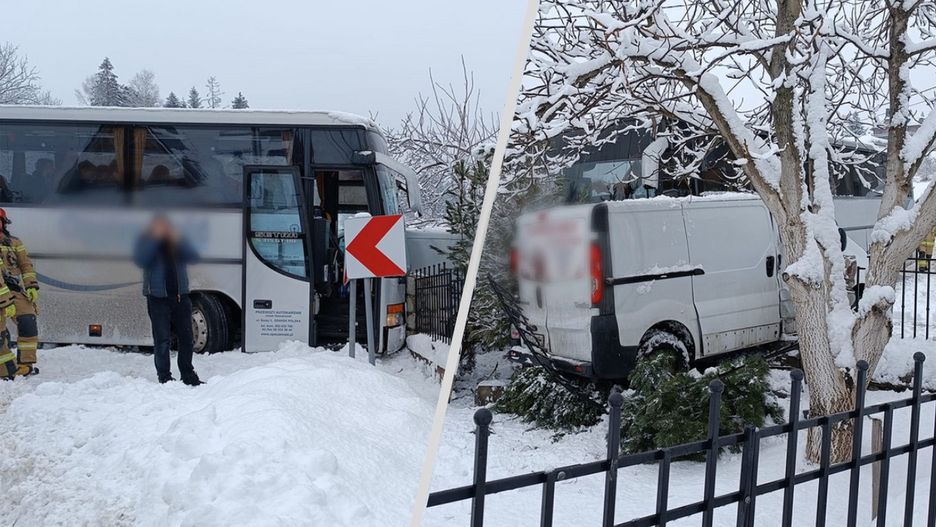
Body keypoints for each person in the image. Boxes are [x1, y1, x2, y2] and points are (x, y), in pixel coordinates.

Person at [133, 215, 203, 385]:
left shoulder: (176, 240)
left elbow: (193, 257)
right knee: (162, 339)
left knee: (186, 337)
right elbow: (141, 260)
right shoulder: (146, 240)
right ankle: (164, 377)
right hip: (158, 297)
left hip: (180, 295)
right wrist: (155, 240)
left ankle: (188, 374)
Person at [0, 208, 40, 376]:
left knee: (28, 321)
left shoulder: (15, 243)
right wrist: (5, 301)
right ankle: (5, 370)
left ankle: (25, 364)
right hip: (2, 295)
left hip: (13, 290)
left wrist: (31, 285)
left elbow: (25, 265)